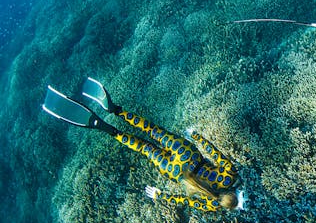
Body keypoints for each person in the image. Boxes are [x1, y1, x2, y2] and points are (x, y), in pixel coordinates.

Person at [42, 77, 245, 212]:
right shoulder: (212, 204)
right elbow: (184, 200)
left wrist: (197, 137)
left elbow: (214, 153)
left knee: (152, 131)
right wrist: (160, 195)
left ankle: (115, 110)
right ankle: (106, 128)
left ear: (237, 193)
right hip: (177, 173)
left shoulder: (231, 176)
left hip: (189, 155)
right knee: (144, 147)